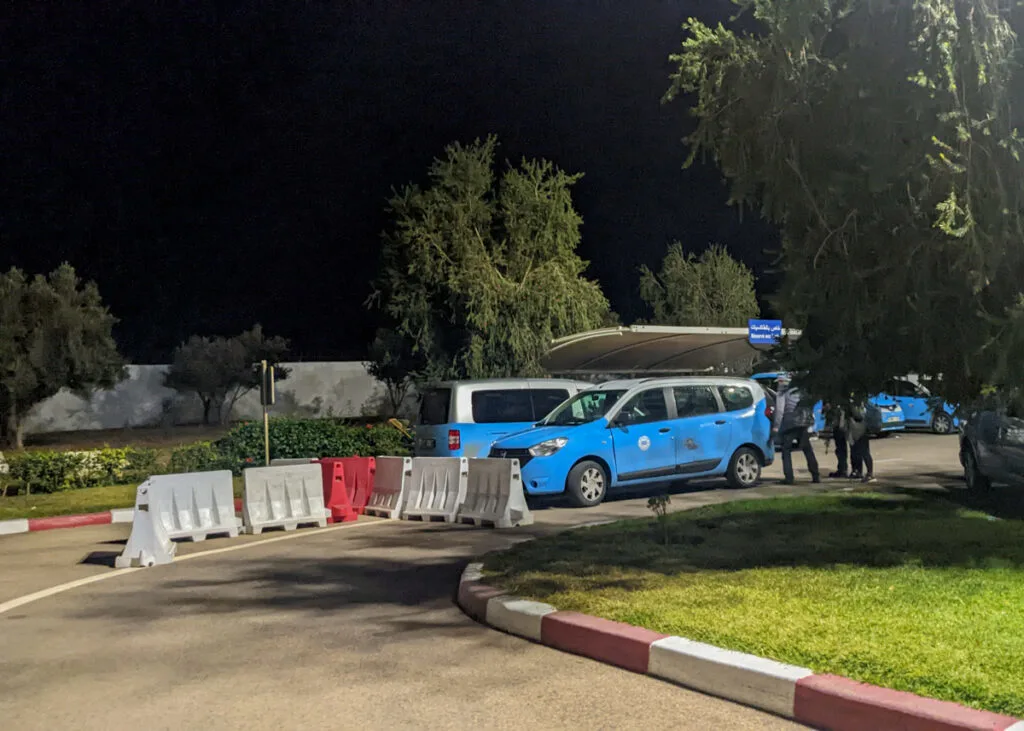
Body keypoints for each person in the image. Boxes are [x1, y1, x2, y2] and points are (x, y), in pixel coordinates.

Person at [772, 374, 821, 484]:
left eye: (779, 382)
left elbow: (779, 411)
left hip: (790, 424)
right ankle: (816, 475)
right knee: (807, 449)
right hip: (804, 423)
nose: (778, 385)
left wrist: (776, 427)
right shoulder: (800, 391)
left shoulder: (782, 394)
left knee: (786, 450)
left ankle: (789, 478)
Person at [847, 400, 876, 483]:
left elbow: (859, 416)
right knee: (857, 452)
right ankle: (858, 472)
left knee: (865, 452)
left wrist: (850, 410)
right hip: (858, 430)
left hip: (860, 431)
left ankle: (870, 474)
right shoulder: (862, 402)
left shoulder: (858, 403)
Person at [823, 400, 848, 478]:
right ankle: (842, 469)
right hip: (838, 424)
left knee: (840, 448)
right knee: (840, 448)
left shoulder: (834, 399)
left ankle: (842, 469)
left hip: (838, 425)